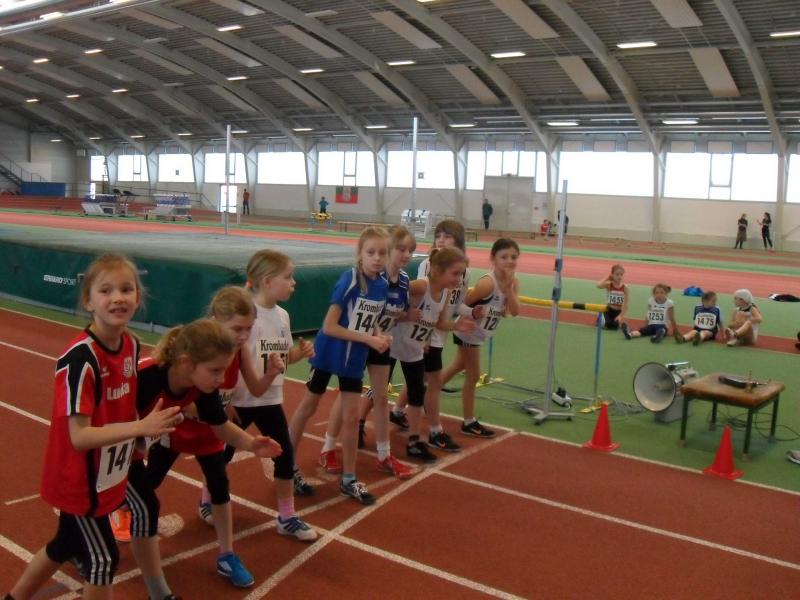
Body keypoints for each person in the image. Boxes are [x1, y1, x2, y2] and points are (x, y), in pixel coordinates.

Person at [4, 253, 181, 600]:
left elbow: (124, 406)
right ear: (88, 301)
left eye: (127, 289)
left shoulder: (131, 345)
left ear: (138, 298)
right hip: (78, 478)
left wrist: (140, 438)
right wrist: (139, 428)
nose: (118, 298)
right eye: (106, 290)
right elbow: (80, 436)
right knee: (103, 559)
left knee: (64, 544)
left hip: (109, 469)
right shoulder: (80, 359)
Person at [137, 319, 283, 589]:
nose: (221, 379)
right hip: (117, 440)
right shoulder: (144, 377)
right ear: (186, 363)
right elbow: (108, 422)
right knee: (135, 491)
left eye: (223, 370)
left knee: (214, 486)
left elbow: (221, 425)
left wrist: (252, 444)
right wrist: (138, 431)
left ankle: (226, 555)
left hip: (150, 440)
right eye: (215, 371)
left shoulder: (202, 386)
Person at [214, 256, 317, 541]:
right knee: (221, 455)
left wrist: (299, 354)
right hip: (240, 400)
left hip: (269, 398)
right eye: (288, 277)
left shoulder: (282, 316)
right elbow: (227, 358)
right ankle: (207, 500)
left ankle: (287, 516)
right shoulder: (246, 315)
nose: (293, 283)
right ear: (268, 281)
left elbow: (281, 358)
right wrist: (226, 401)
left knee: (284, 454)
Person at [288, 227, 390, 504]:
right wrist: (369, 339)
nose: (377, 258)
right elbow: (329, 326)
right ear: (360, 253)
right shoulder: (351, 280)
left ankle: (349, 479)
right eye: (371, 252)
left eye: (382, 253)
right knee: (309, 406)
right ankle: (287, 465)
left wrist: (379, 334)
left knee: (352, 417)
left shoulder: (382, 285)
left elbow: (370, 320)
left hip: (354, 357)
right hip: (328, 352)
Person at [327, 226, 416, 479]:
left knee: (381, 396)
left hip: (379, 341)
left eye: (409, 250)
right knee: (347, 397)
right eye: (400, 249)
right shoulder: (367, 276)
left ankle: (384, 455)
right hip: (357, 341)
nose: (405, 255)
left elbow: (392, 312)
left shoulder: (401, 280)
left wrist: (397, 323)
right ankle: (328, 447)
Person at [398, 220, 480, 448]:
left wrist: (470, 314)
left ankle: (399, 412)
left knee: (421, 380)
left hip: (437, 330)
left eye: (447, 236)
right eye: (438, 236)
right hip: (422, 332)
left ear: (458, 241)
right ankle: (433, 429)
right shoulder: (429, 266)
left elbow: (455, 304)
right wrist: (410, 320)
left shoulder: (464, 273)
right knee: (427, 380)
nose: (441, 240)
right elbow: (416, 295)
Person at [450, 239, 520, 436]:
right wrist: (472, 315)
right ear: (493, 259)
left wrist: (509, 292)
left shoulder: (514, 282)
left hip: (480, 334)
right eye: (504, 257)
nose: (509, 261)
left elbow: (515, 311)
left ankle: (428, 388)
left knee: (457, 366)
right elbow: (462, 304)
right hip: (468, 332)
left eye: (514, 257)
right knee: (473, 375)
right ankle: (468, 422)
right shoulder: (487, 283)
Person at [597, 264, 629, 330]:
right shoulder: (609, 285)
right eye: (617, 274)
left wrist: (620, 316)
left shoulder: (625, 287)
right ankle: (601, 318)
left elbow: (626, 305)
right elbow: (598, 285)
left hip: (618, 312)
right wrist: (607, 278)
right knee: (607, 324)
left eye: (621, 274)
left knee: (615, 326)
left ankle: (608, 322)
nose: (619, 277)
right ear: (612, 275)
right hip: (608, 310)